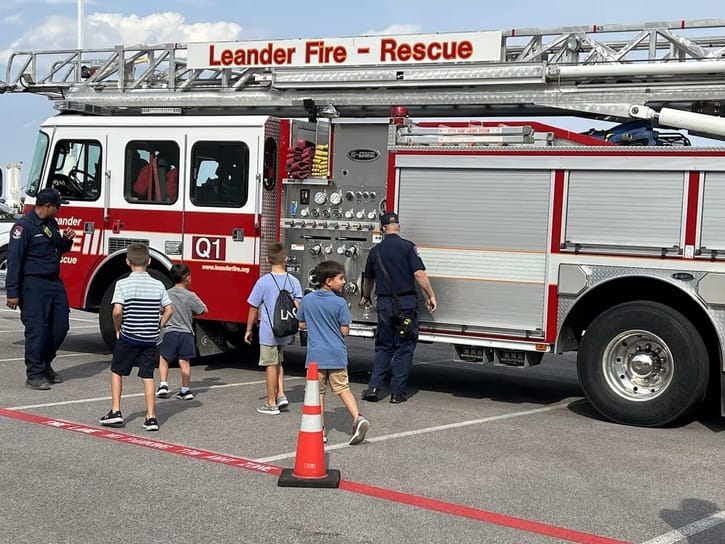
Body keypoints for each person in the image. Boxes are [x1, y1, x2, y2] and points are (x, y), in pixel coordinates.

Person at [359, 212, 437, 404]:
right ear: (398, 227)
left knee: (384, 347)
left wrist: (366, 296)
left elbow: (369, 279)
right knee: (404, 347)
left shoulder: (375, 251)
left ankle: (374, 388)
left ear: (383, 229)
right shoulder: (408, 247)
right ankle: (397, 393)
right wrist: (431, 295)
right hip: (406, 305)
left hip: (384, 304)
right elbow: (419, 274)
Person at [6, 188, 76, 390]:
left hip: (53, 282)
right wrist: (13, 292)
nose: (60, 210)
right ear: (47, 206)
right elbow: (14, 261)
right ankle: (34, 374)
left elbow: (56, 248)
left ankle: (45, 363)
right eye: (58, 206)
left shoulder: (50, 224)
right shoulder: (24, 227)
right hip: (33, 284)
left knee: (60, 326)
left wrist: (67, 240)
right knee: (37, 330)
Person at [100, 243, 173, 431]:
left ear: (127, 261)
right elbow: (169, 309)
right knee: (147, 375)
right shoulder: (157, 285)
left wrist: (118, 328)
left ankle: (115, 411)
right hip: (149, 338)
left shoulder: (122, 284)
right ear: (149, 261)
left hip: (128, 335)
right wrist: (160, 324)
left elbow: (117, 311)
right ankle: (151, 417)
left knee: (117, 371)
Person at [297, 260, 369, 445]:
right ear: (329, 281)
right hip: (336, 353)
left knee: (318, 393)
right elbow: (345, 331)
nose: (344, 282)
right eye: (341, 278)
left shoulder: (308, 299)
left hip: (315, 356)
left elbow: (301, 323)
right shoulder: (340, 303)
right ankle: (357, 417)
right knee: (343, 388)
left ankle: (319, 430)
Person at [245, 242, 303, 415]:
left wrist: (248, 329)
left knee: (270, 364)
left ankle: (271, 403)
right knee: (279, 361)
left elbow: (253, 307)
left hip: (269, 330)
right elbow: (298, 306)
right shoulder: (293, 281)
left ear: (267, 259)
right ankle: (281, 394)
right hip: (286, 327)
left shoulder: (263, 282)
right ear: (285, 259)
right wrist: (296, 326)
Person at [156, 263, 207, 400]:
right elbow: (203, 309)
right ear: (187, 278)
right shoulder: (190, 295)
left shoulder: (167, 294)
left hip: (171, 331)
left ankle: (163, 384)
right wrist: (191, 313)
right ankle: (185, 389)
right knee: (184, 361)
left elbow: (161, 310)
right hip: (187, 333)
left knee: (164, 358)